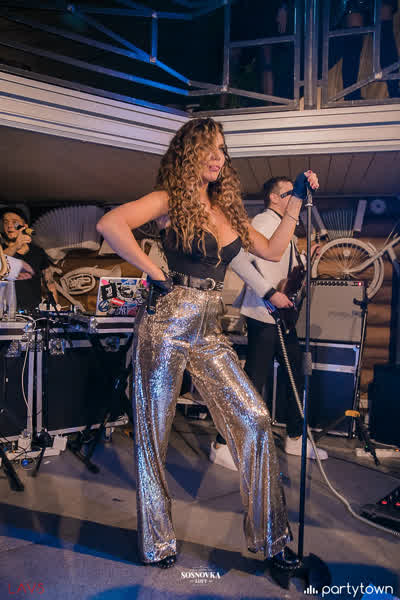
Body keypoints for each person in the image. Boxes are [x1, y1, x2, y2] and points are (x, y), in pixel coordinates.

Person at [96, 118, 319, 573]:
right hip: (166, 322)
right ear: (189, 154)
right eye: (208, 149)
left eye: (221, 150)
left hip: (208, 328)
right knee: (153, 437)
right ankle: (157, 542)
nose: (218, 157)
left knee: (255, 419)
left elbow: (273, 251)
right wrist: (153, 272)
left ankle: (273, 542)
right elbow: (110, 223)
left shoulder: (224, 211)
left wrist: (295, 198)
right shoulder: (169, 200)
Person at [233, 176, 327, 461]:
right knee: (255, 379)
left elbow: (286, 268)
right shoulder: (264, 221)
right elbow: (247, 262)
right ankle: (228, 443)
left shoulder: (284, 227)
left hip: (281, 316)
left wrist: (307, 258)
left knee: (294, 374)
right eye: (288, 194)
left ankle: (295, 437)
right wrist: (270, 293)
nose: (294, 198)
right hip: (265, 313)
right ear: (273, 198)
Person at [0, 207, 55, 311]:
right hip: (5, 313)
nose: (9, 225)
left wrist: (53, 308)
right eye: (6, 222)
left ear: (25, 226)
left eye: (14, 222)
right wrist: (16, 246)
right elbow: (1, 262)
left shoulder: (38, 252)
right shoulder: (1, 249)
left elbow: (50, 283)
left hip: (33, 313)